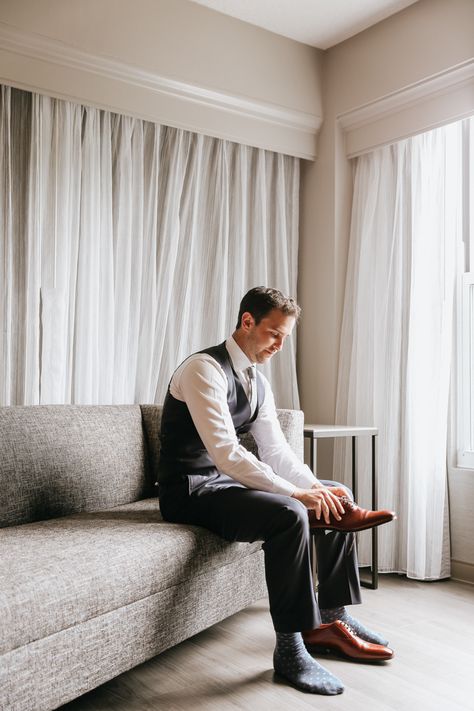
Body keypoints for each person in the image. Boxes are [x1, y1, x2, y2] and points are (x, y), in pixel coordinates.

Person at [158, 286, 395, 696]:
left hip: (225, 485)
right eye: (274, 334)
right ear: (247, 321)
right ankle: (290, 648)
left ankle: (331, 618)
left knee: (335, 492)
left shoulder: (257, 382)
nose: (280, 346)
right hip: (191, 490)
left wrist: (317, 488)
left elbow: (276, 451)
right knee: (289, 514)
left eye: (285, 337)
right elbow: (227, 453)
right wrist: (296, 496)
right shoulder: (203, 370)